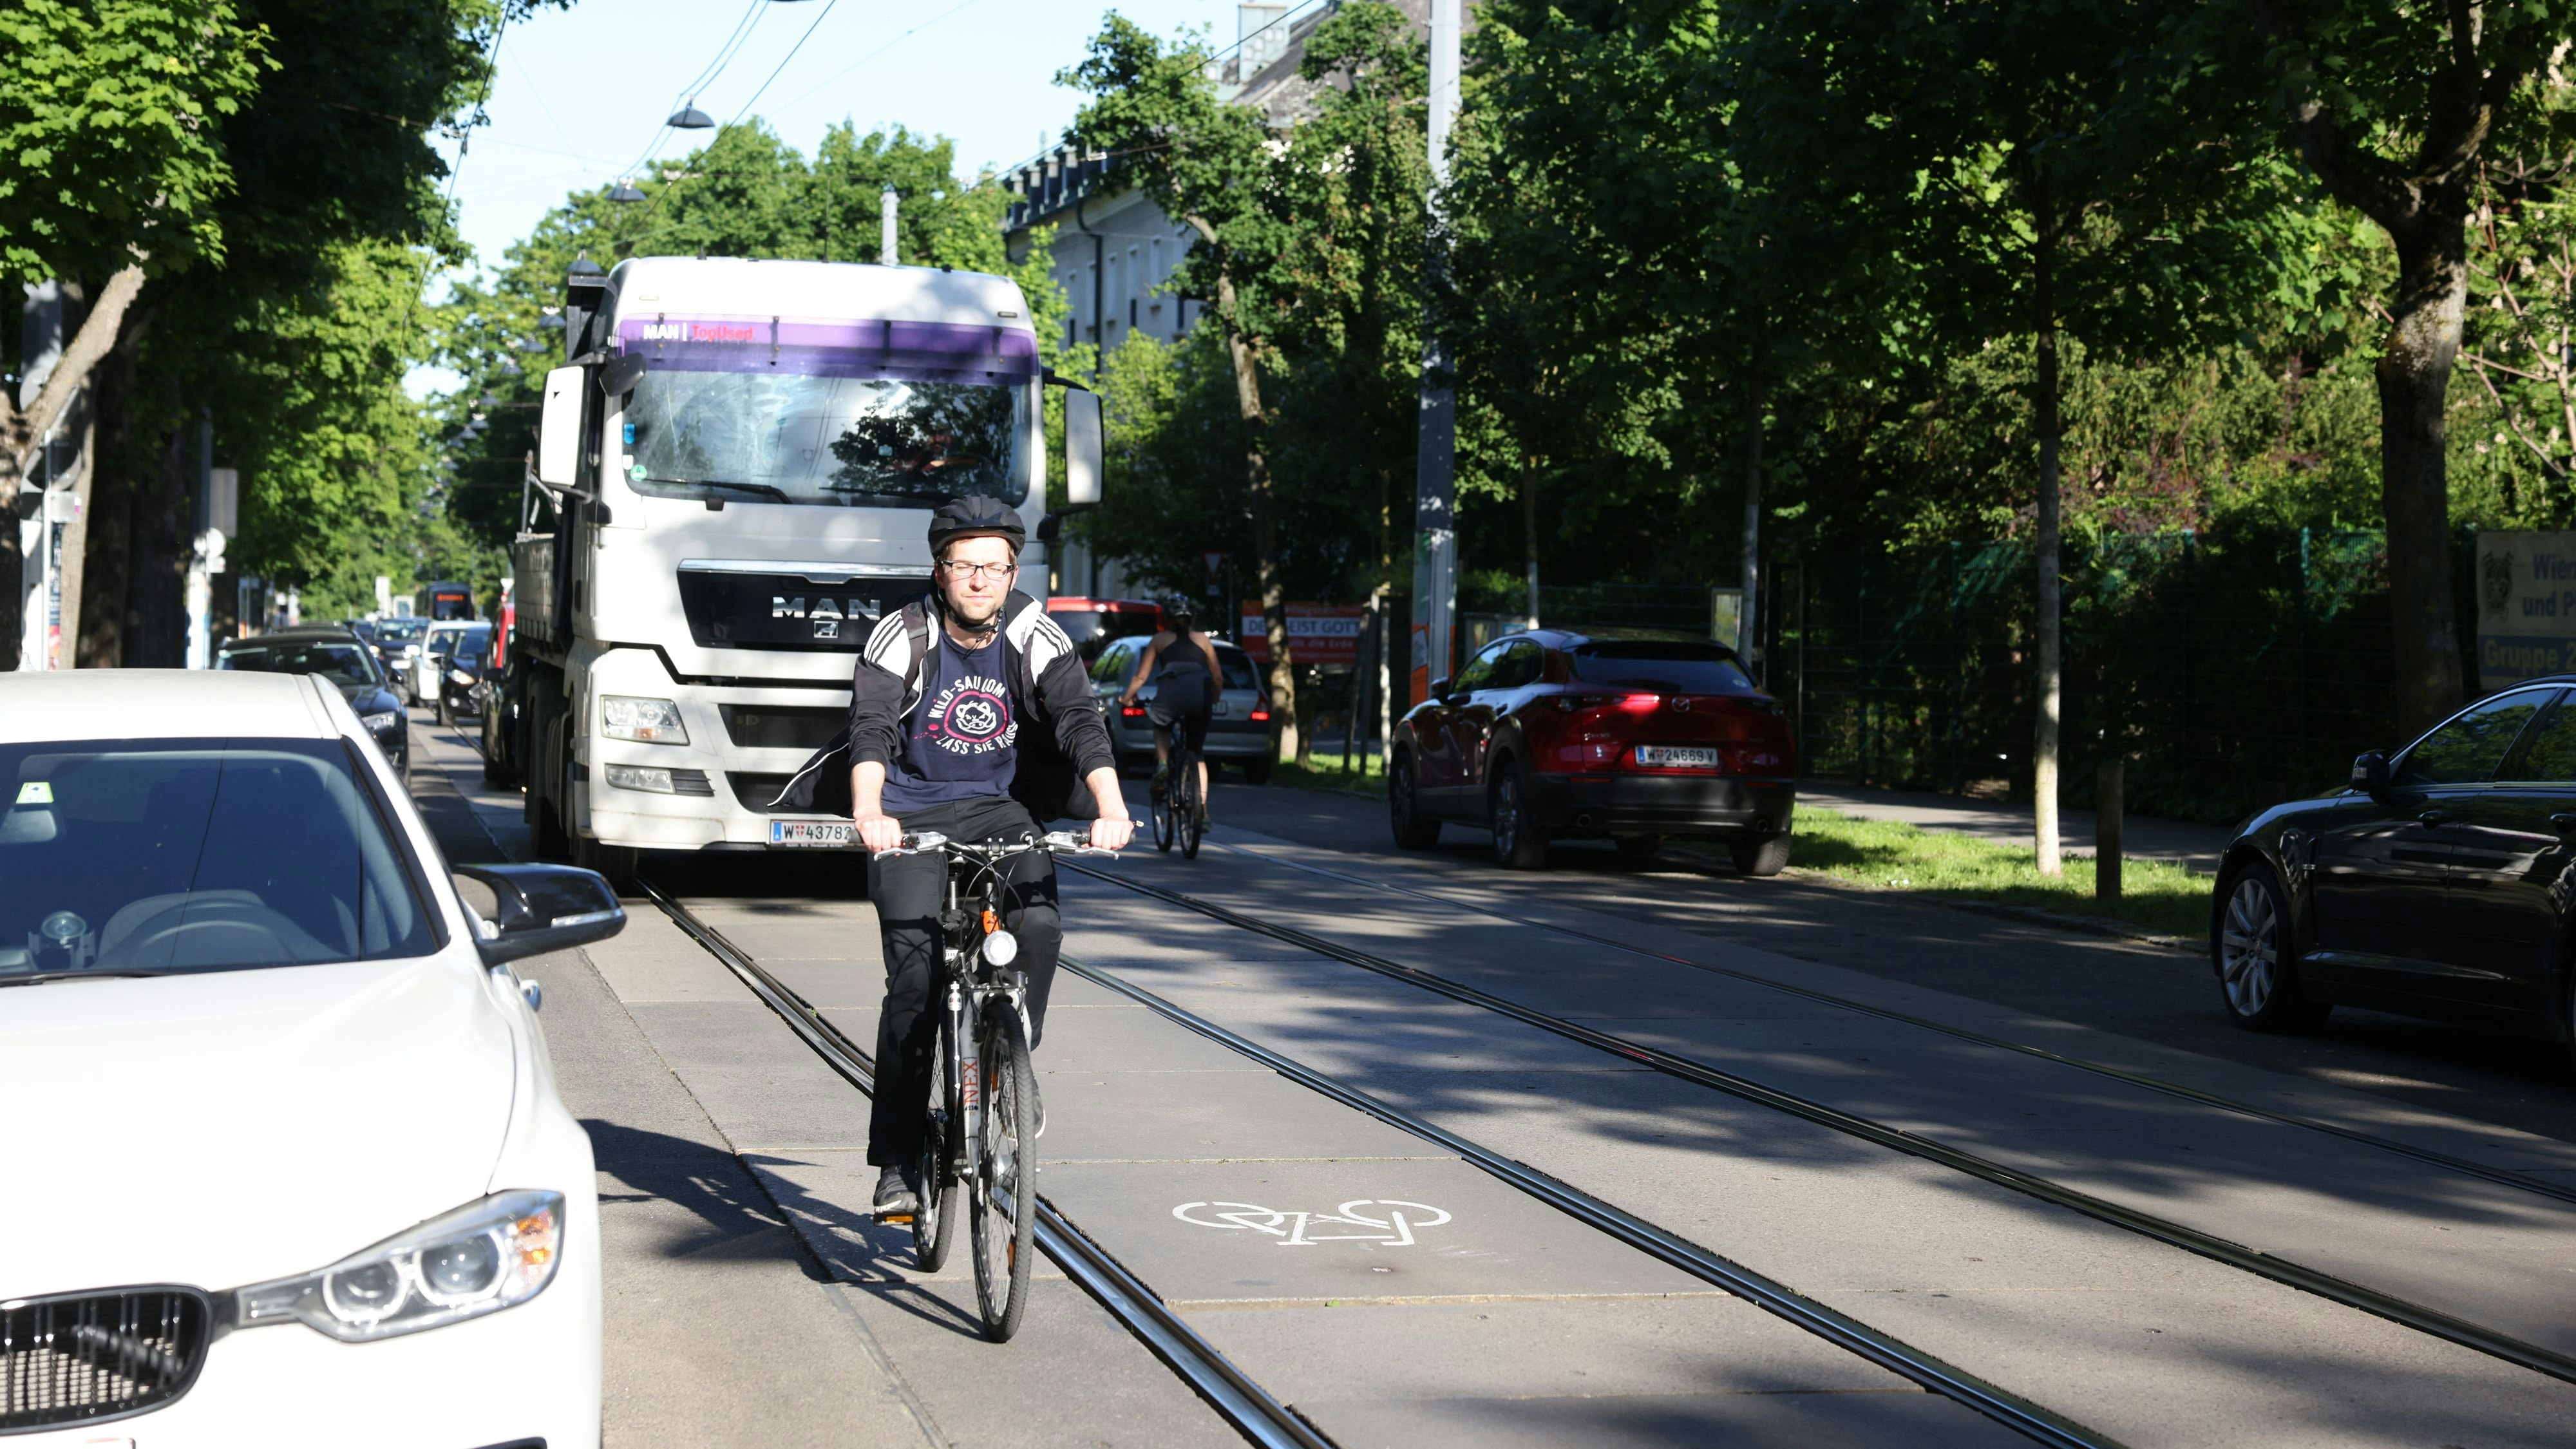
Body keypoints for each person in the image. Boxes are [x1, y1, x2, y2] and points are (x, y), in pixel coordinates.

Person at [848, 497, 1135, 1217]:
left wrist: (1112, 808)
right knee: (914, 983)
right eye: (964, 565)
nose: (980, 580)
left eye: (995, 566)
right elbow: (872, 729)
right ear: (939, 570)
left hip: (1002, 811)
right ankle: (897, 1164)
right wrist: (869, 812)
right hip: (909, 815)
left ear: (1013, 572)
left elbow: (1078, 721)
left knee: (1036, 927)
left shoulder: (1036, 634)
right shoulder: (900, 635)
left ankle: (1010, 1061)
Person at [1119, 598, 1223, 828]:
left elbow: (1140, 677)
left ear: (1166, 619)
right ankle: (1202, 812)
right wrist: (1212, 699)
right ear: (1192, 619)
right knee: (1197, 753)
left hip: (1171, 695)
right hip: (1200, 696)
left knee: (1162, 725)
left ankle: (1164, 763)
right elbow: (1217, 676)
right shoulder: (1204, 640)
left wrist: (1126, 698)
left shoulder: (1159, 639)